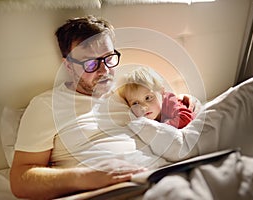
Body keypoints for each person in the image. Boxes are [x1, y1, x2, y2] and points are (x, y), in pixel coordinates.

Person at [10, 15, 197, 199]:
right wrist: (87, 177)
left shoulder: (124, 94)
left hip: (165, 174)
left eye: (108, 58)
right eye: (91, 63)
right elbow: (21, 179)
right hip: (120, 191)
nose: (105, 71)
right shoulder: (46, 106)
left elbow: (156, 108)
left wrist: (178, 101)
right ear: (68, 66)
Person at [118, 66, 195, 129]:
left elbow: (185, 118)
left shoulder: (169, 101)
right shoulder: (139, 118)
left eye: (148, 98)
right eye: (136, 103)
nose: (144, 107)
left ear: (161, 92)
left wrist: (162, 127)